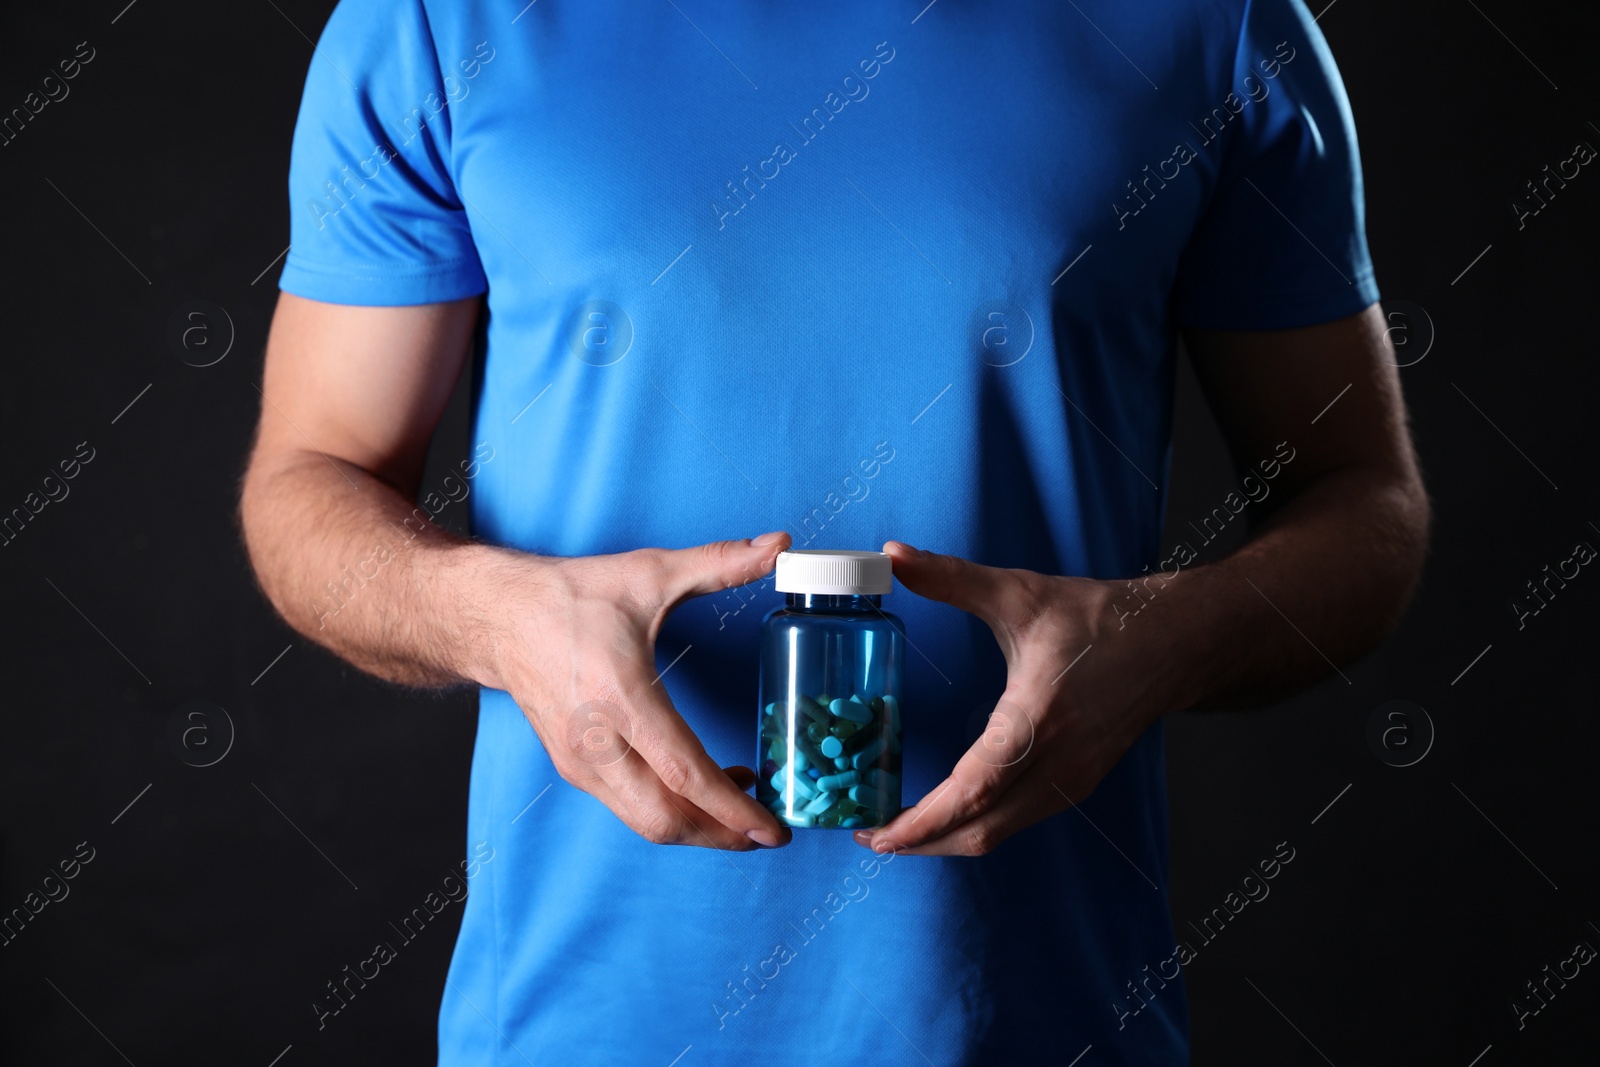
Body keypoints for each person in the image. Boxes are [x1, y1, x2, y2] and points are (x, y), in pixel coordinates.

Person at [239, 0, 1429, 1062]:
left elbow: (1363, 500)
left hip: (1037, 1017)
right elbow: (310, 481)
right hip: (578, 1023)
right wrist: (499, 619)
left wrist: (1158, 638)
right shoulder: (435, 22)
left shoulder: (1210, 23)